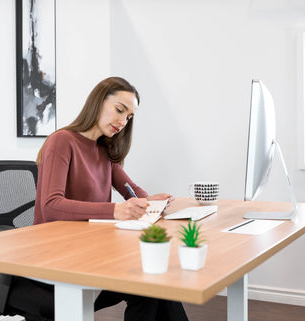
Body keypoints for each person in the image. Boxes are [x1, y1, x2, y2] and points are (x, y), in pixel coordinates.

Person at [31, 76, 188, 321]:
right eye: (119, 110)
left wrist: (152, 202)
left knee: (156, 283)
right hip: (57, 260)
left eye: (129, 117)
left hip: (90, 254)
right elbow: (51, 206)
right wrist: (115, 210)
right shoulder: (62, 141)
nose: (123, 121)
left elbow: (130, 189)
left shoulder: (104, 150)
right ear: (98, 101)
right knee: (149, 286)